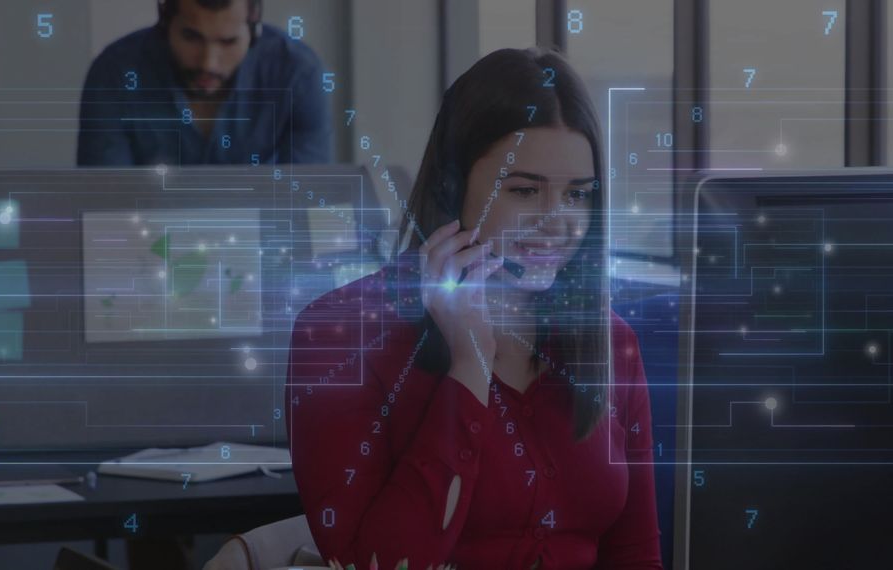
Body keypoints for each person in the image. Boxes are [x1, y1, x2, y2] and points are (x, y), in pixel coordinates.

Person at [286, 48, 662, 569]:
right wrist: (470, 367)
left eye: (578, 195)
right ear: (452, 185)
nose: (558, 222)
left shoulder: (611, 342)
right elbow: (379, 562)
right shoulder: (339, 335)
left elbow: (635, 555)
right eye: (526, 191)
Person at [77, 0, 330, 166]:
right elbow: (105, 205)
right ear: (165, 24)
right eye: (191, 37)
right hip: (147, 243)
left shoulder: (296, 74)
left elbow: (308, 202)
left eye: (228, 41)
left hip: (264, 244)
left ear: (254, 31)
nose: (209, 63)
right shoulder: (115, 72)